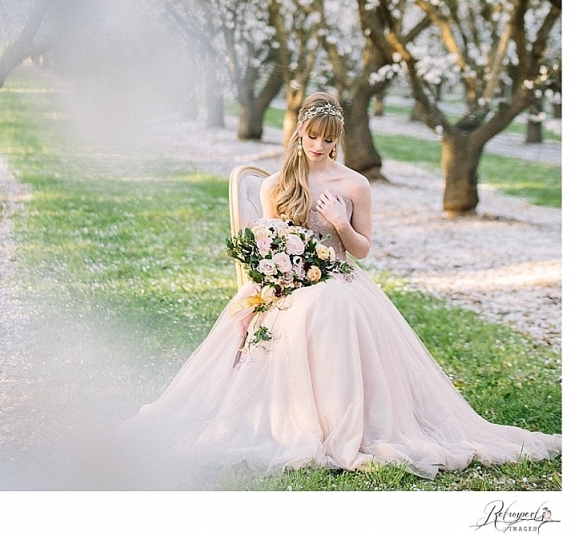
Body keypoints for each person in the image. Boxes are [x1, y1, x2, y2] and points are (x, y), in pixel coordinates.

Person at [128, 91, 561, 480]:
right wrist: (277, 272)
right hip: (288, 283)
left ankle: (342, 422)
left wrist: (339, 223)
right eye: (313, 137)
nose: (320, 146)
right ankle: (294, 420)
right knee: (304, 307)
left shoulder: (354, 184)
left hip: (338, 276)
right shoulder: (276, 185)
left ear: (338, 139)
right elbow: (270, 241)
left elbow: (363, 248)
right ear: (300, 133)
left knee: (329, 302)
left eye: (329, 139)